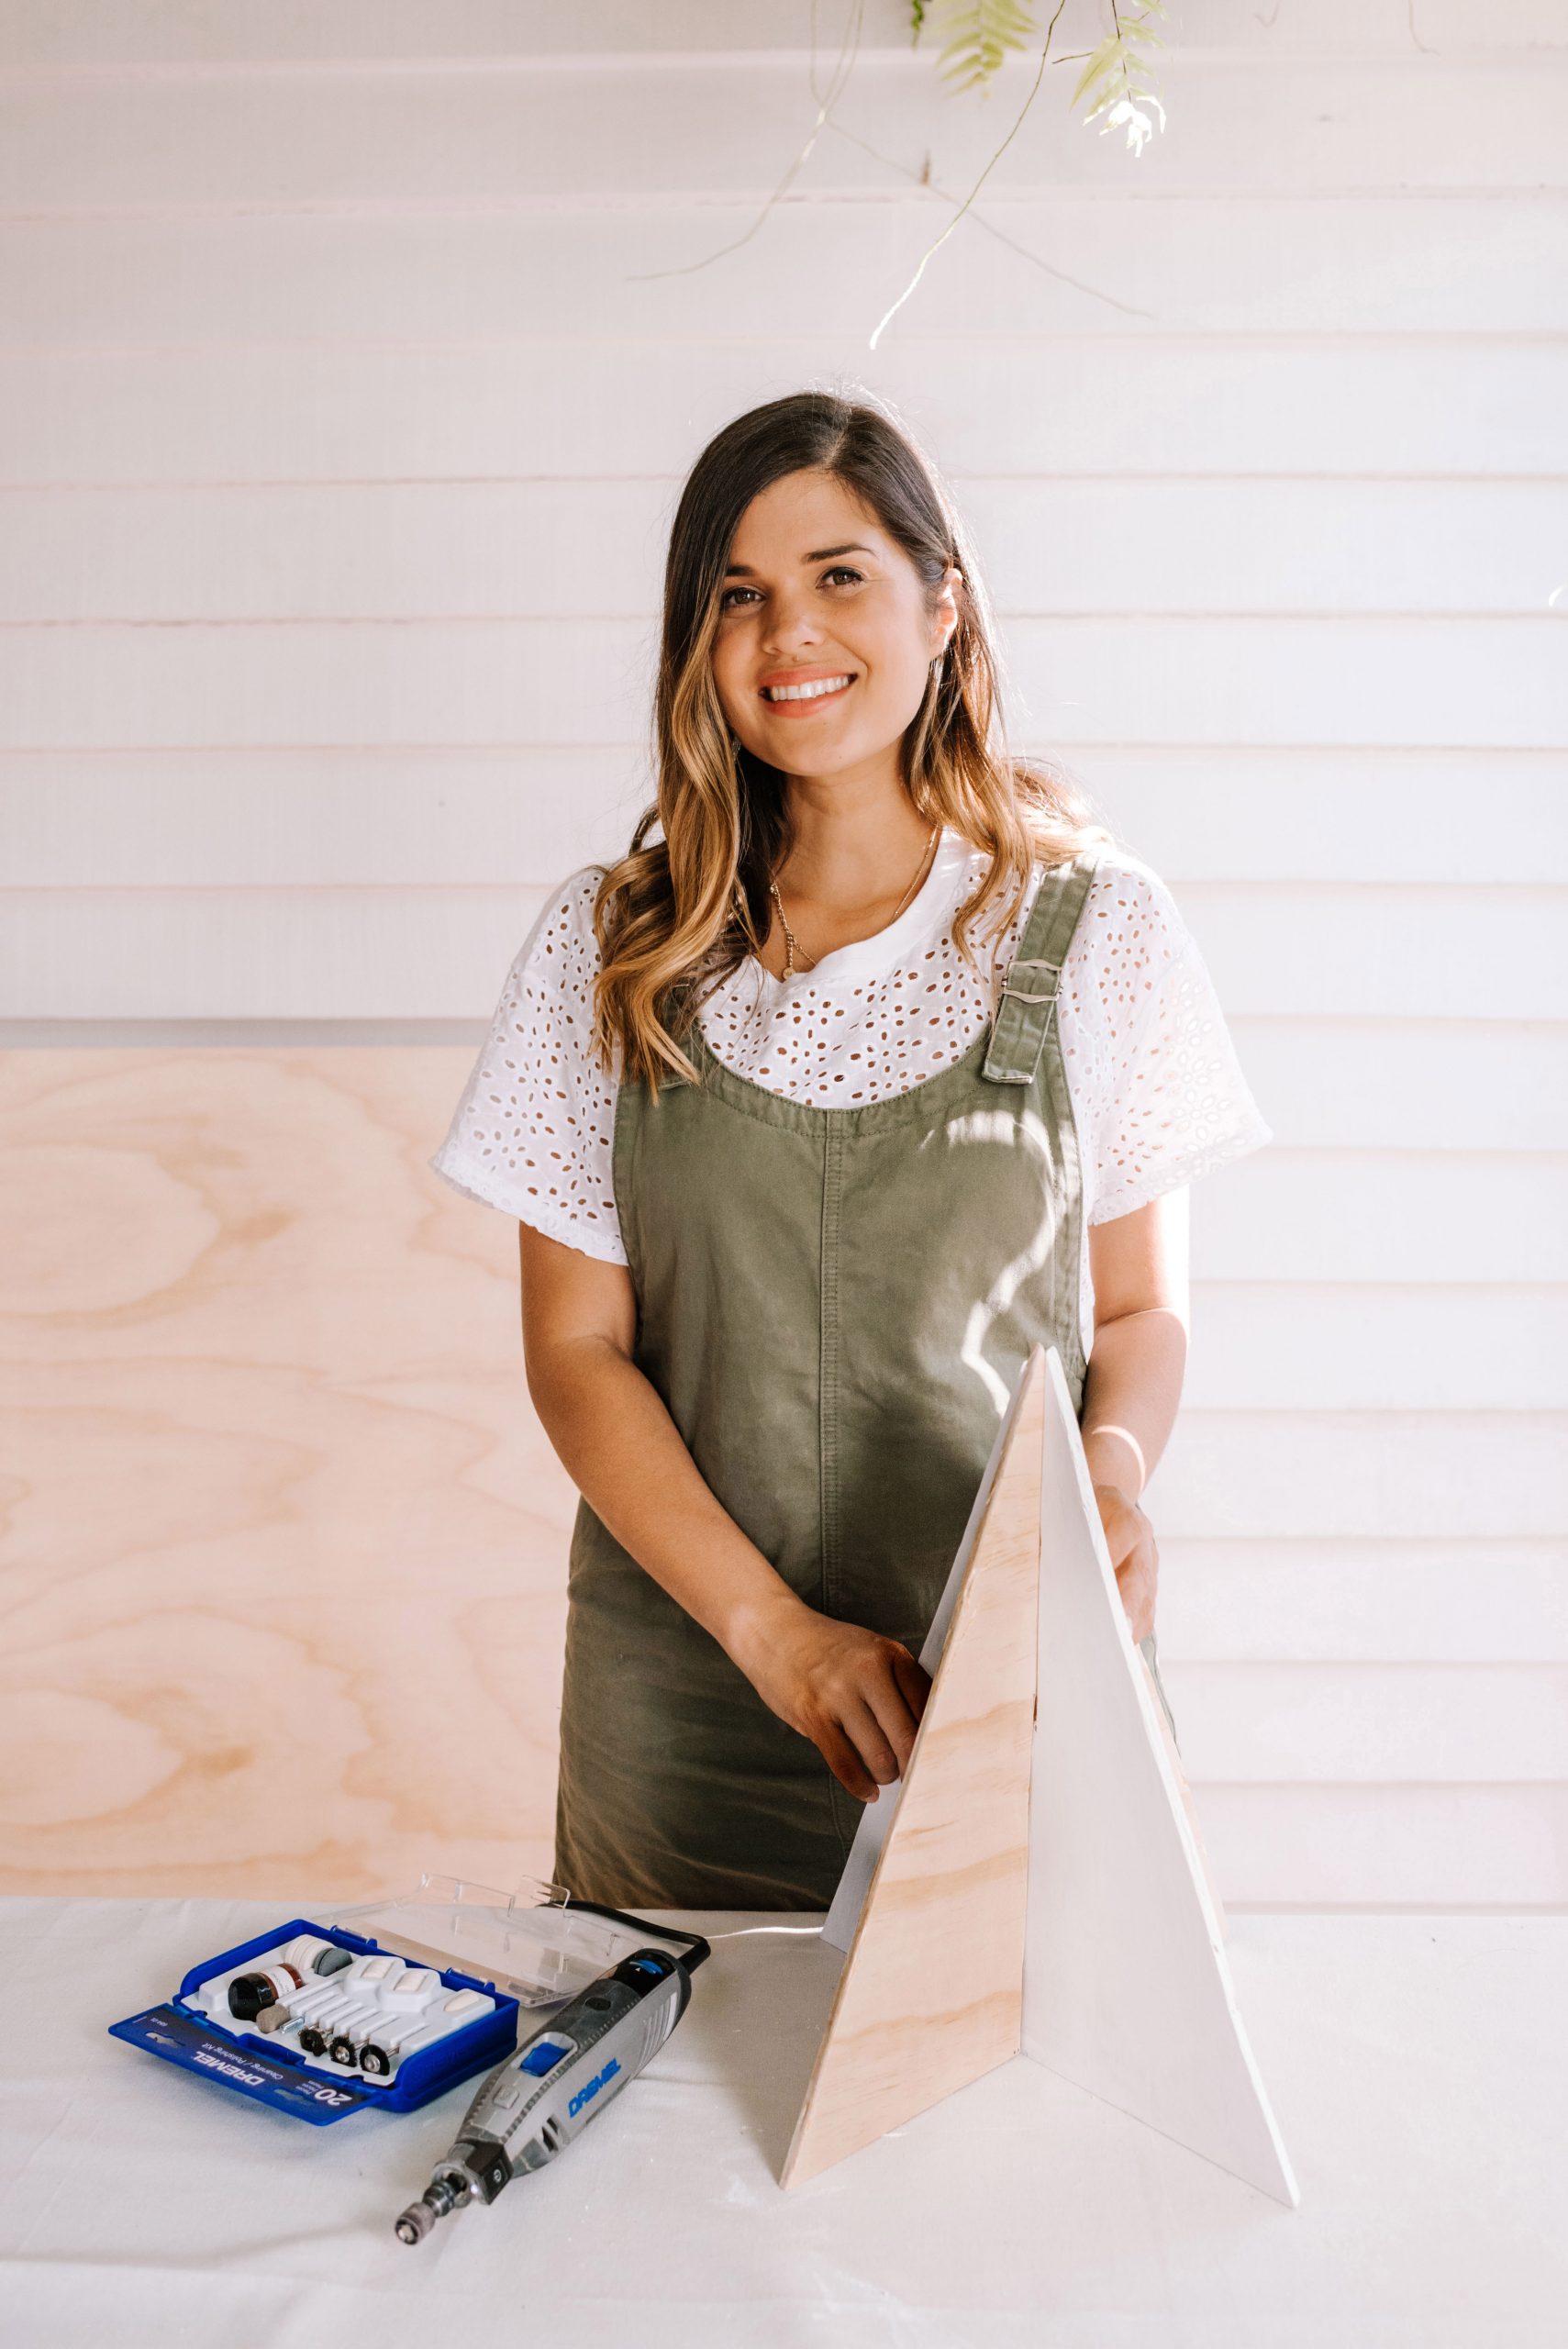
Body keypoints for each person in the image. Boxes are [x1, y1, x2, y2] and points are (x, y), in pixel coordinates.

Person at [430, 390, 1272, 1910]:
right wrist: (777, 1636)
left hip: (1008, 1686)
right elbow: (575, 1352)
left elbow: (1139, 1313)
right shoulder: (609, 950)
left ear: (940, 604)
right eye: (737, 596)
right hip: (689, 1706)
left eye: (838, 576)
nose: (787, 637)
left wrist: (1108, 1485)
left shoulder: (1098, 932)